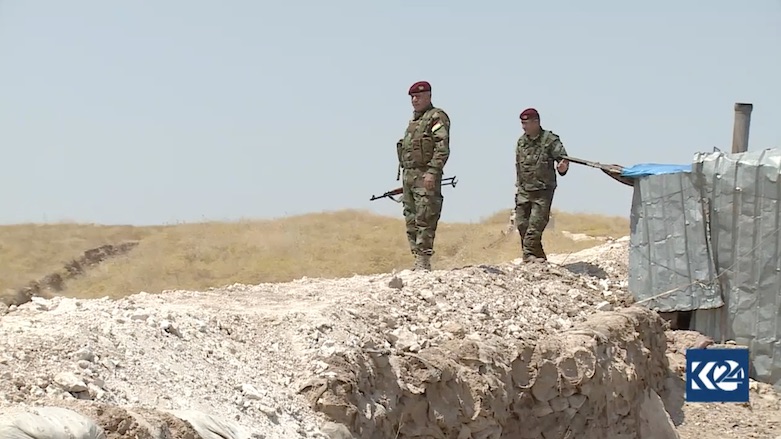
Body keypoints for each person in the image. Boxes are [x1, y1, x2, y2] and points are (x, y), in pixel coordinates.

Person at [396, 81, 451, 271]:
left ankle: (423, 259)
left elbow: (442, 148)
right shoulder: (414, 122)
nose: (414, 100)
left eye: (418, 96)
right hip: (409, 176)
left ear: (428, 96)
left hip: (425, 175)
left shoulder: (436, 117)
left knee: (425, 217)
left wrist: (433, 172)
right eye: (412, 97)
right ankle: (416, 258)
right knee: (410, 219)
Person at [514, 108, 569, 263]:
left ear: (536, 122)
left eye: (526, 123)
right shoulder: (521, 142)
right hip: (524, 189)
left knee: (535, 225)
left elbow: (563, 159)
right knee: (522, 224)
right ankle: (538, 257)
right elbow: (519, 165)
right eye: (522, 124)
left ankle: (529, 255)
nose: (524, 127)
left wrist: (562, 167)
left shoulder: (550, 140)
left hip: (543, 190)